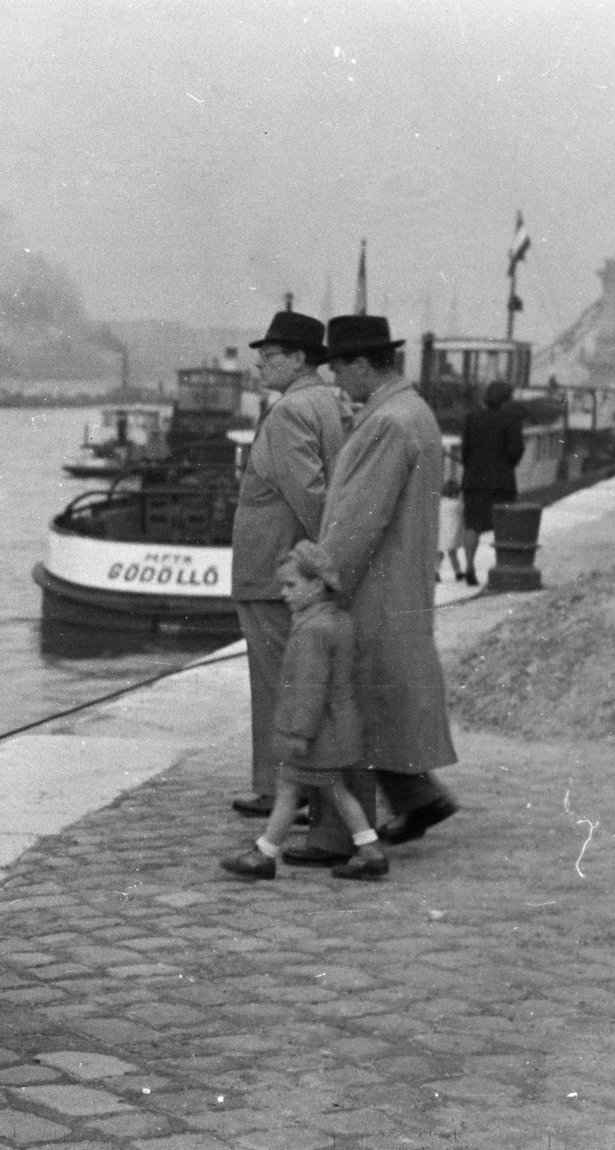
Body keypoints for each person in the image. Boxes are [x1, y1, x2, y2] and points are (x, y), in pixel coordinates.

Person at [228, 310, 364, 864]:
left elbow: (309, 495)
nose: (261, 363)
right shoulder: (332, 402)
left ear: (301, 358)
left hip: (273, 571)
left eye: (273, 355)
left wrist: (321, 564)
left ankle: (279, 789)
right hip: (291, 567)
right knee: (298, 679)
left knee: (277, 682)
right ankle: (286, 785)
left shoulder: (287, 412)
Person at [318, 315, 459, 847]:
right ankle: (415, 795)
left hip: (376, 581)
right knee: (386, 691)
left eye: (338, 367)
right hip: (403, 574)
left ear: (362, 364)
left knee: (365, 691)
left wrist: (324, 580)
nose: (335, 379)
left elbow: (360, 517)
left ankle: (384, 810)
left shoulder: (387, 423)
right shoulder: (412, 412)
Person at [221, 541, 387, 881]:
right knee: (323, 789)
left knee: (300, 787)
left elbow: (307, 691)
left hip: (319, 729)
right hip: (335, 725)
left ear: (317, 585)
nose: (283, 593)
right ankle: (367, 849)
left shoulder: (312, 631)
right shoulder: (336, 621)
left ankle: (265, 853)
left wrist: (298, 733)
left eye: (291, 585)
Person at [459, 379, 524, 586]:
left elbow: (465, 450)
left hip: (475, 479)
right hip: (501, 480)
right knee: (504, 526)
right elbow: (515, 450)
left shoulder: (472, 417)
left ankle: (469, 567)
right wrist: (507, 465)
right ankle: (502, 568)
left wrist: (473, 467)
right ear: (506, 399)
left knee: (472, 525)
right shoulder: (511, 419)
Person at [438, 476, 465, 582]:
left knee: (439, 554)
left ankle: (436, 572)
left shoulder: (439, 503)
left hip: (440, 532)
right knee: (453, 554)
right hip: (452, 533)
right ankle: (458, 572)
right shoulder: (458, 504)